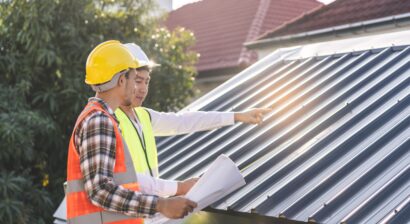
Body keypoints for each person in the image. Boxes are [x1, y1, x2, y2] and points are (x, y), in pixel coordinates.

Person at [114, 43, 272, 197]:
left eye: (147, 82)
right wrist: (179, 187)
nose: (143, 88)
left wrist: (236, 116)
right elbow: (124, 177)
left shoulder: (144, 116)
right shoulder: (110, 121)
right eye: (138, 81)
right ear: (122, 81)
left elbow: (186, 121)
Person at [65, 40, 197, 224]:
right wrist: (160, 205)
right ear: (121, 80)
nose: (136, 88)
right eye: (134, 78)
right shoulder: (99, 121)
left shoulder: (103, 118)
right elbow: (100, 191)